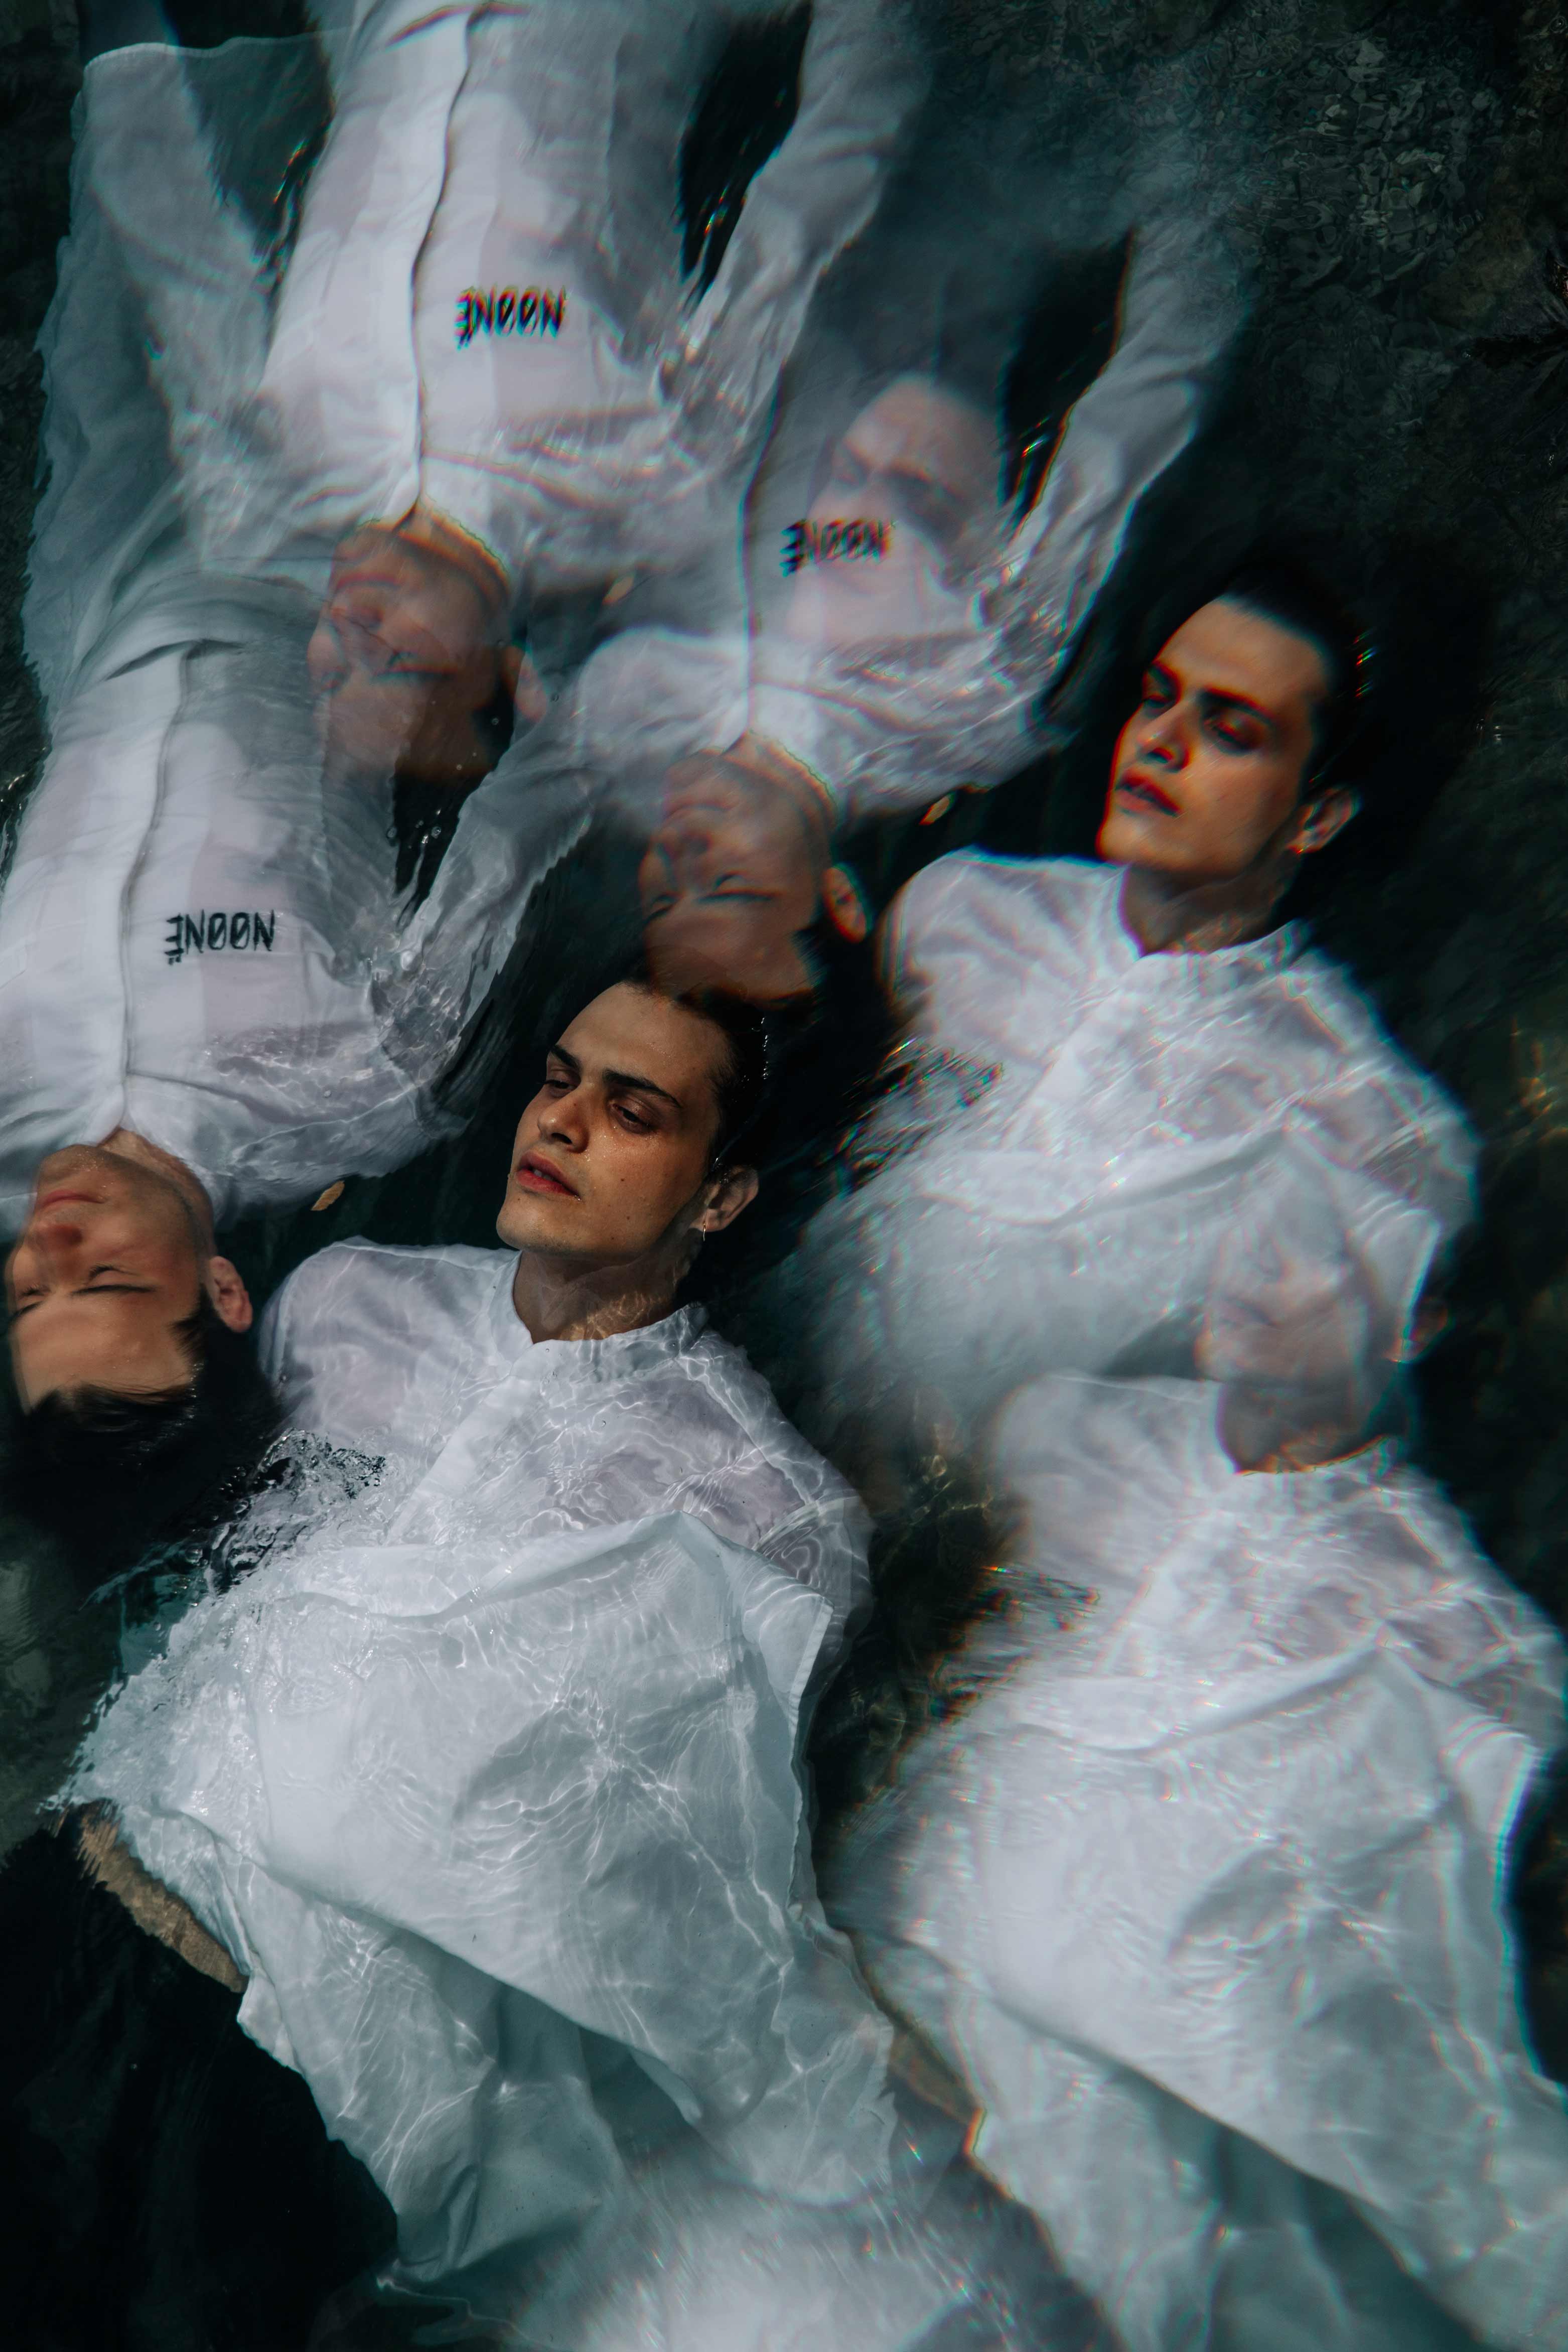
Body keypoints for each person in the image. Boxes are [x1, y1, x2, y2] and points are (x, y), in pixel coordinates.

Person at [5, 982, 897, 2347]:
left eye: (632, 1109)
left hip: (295, 2087)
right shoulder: (349, 1296)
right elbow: (200, 1553)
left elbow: (679, 1870)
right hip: (82, 1895)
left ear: (720, 1195)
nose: (563, 1121)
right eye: (559, 1076)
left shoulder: (764, 1510)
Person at [824, 1160, 1568, 2352]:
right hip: (881, 2021)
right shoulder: (1063, 1436)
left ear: (1416, 1318)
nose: (1257, 1266)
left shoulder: (1456, 1642)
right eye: (1254, 1225)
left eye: (1321, 1250)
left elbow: (1408, 2015)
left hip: (1131, 2158)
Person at [763, 559, 1477, 1479]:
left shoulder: (1359, 1122)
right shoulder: (960, 910)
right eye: (1157, 697)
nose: (1159, 743)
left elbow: (1300, 1465)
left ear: (1318, 814)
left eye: (1229, 731)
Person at [615, 208, 1236, 1001]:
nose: (688, 857)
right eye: (728, 887)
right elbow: (1137, 417)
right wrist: (1196, 216)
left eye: (667, 889)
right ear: (839, 898)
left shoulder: (648, 709)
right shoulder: (973, 696)